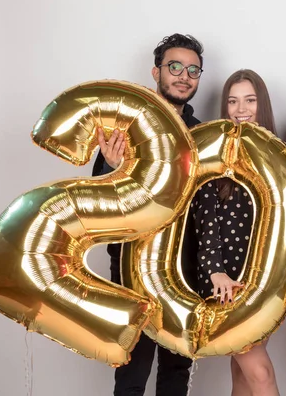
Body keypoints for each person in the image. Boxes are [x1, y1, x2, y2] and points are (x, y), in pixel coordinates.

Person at [92, 33, 204, 396]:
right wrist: (112, 168)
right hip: (131, 270)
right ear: (156, 72)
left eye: (193, 70)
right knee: (132, 373)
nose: (184, 76)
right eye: (175, 67)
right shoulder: (126, 126)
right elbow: (96, 201)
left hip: (183, 270)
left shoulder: (202, 133)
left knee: (176, 371)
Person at [189, 69, 279, 396]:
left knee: (243, 372)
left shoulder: (278, 157)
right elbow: (205, 218)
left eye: (250, 100)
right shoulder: (216, 153)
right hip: (225, 280)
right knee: (260, 372)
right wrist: (215, 271)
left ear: (262, 104)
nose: (241, 108)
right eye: (233, 101)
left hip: (263, 281)